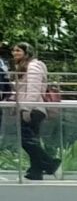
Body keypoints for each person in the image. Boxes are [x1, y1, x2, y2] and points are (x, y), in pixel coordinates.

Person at [12, 43, 54, 179]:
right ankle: (36, 171)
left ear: (26, 52)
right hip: (29, 108)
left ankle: (51, 164)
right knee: (32, 141)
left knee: (27, 141)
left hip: (33, 110)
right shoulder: (24, 67)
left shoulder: (33, 66)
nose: (14, 53)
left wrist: (26, 109)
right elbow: (21, 90)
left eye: (18, 50)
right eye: (13, 50)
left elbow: (33, 90)